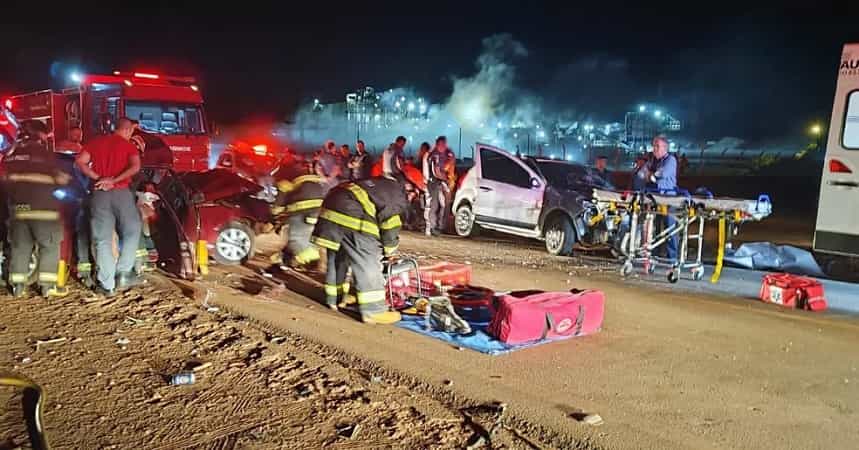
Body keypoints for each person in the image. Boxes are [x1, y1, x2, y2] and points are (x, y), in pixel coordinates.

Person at [311, 176, 408, 324]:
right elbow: (390, 226)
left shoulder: (377, 185)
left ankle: (334, 299)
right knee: (368, 259)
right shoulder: (395, 195)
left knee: (338, 258)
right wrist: (390, 249)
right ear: (409, 188)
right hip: (352, 212)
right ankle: (373, 310)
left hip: (330, 209)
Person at [1, 120, 70, 297]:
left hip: (18, 209)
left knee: (20, 247)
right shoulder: (45, 154)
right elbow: (62, 178)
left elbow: (5, 180)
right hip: (43, 209)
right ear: (40, 135)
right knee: (49, 246)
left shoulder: (11, 154)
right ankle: (47, 286)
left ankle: (17, 286)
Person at [75, 117, 142, 296]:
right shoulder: (129, 145)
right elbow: (135, 167)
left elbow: (80, 162)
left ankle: (107, 285)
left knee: (102, 239)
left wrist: (98, 178)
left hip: (99, 194)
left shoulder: (95, 143)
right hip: (122, 193)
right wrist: (114, 180)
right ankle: (124, 272)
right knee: (132, 230)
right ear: (128, 130)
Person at [273, 153, 341, 269]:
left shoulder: (290, 177)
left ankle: (300, 258)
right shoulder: (320, 181)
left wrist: (275, 212)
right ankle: (304, 260)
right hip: (318, 215)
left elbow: (281, 197)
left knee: (296, 238)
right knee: (308, 239)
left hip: (301, 214)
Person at [646, 136, 679, 261]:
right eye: (653, 146)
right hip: (656, 199)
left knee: (670, 229)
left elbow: (662, 174)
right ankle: (654, 255)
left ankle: (673, 258)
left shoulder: (670, 160)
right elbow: (645, 175)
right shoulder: (655, 161)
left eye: (657, 146)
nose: (654, 149)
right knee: (654, 229)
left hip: (668, 199)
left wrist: (653, 175)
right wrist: (652, 175)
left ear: (665, 148)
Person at [423, 136, 453, 236]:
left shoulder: (442, 154)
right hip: (433, 182)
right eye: (443, 144)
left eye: (445, 144)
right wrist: (446, 180)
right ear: (438, 144)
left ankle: (438, 226)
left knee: (443, 204)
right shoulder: (434, 156)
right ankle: (432, 227)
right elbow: (436, 172)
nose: (444, 146)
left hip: (439, 182)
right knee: (434, 205)